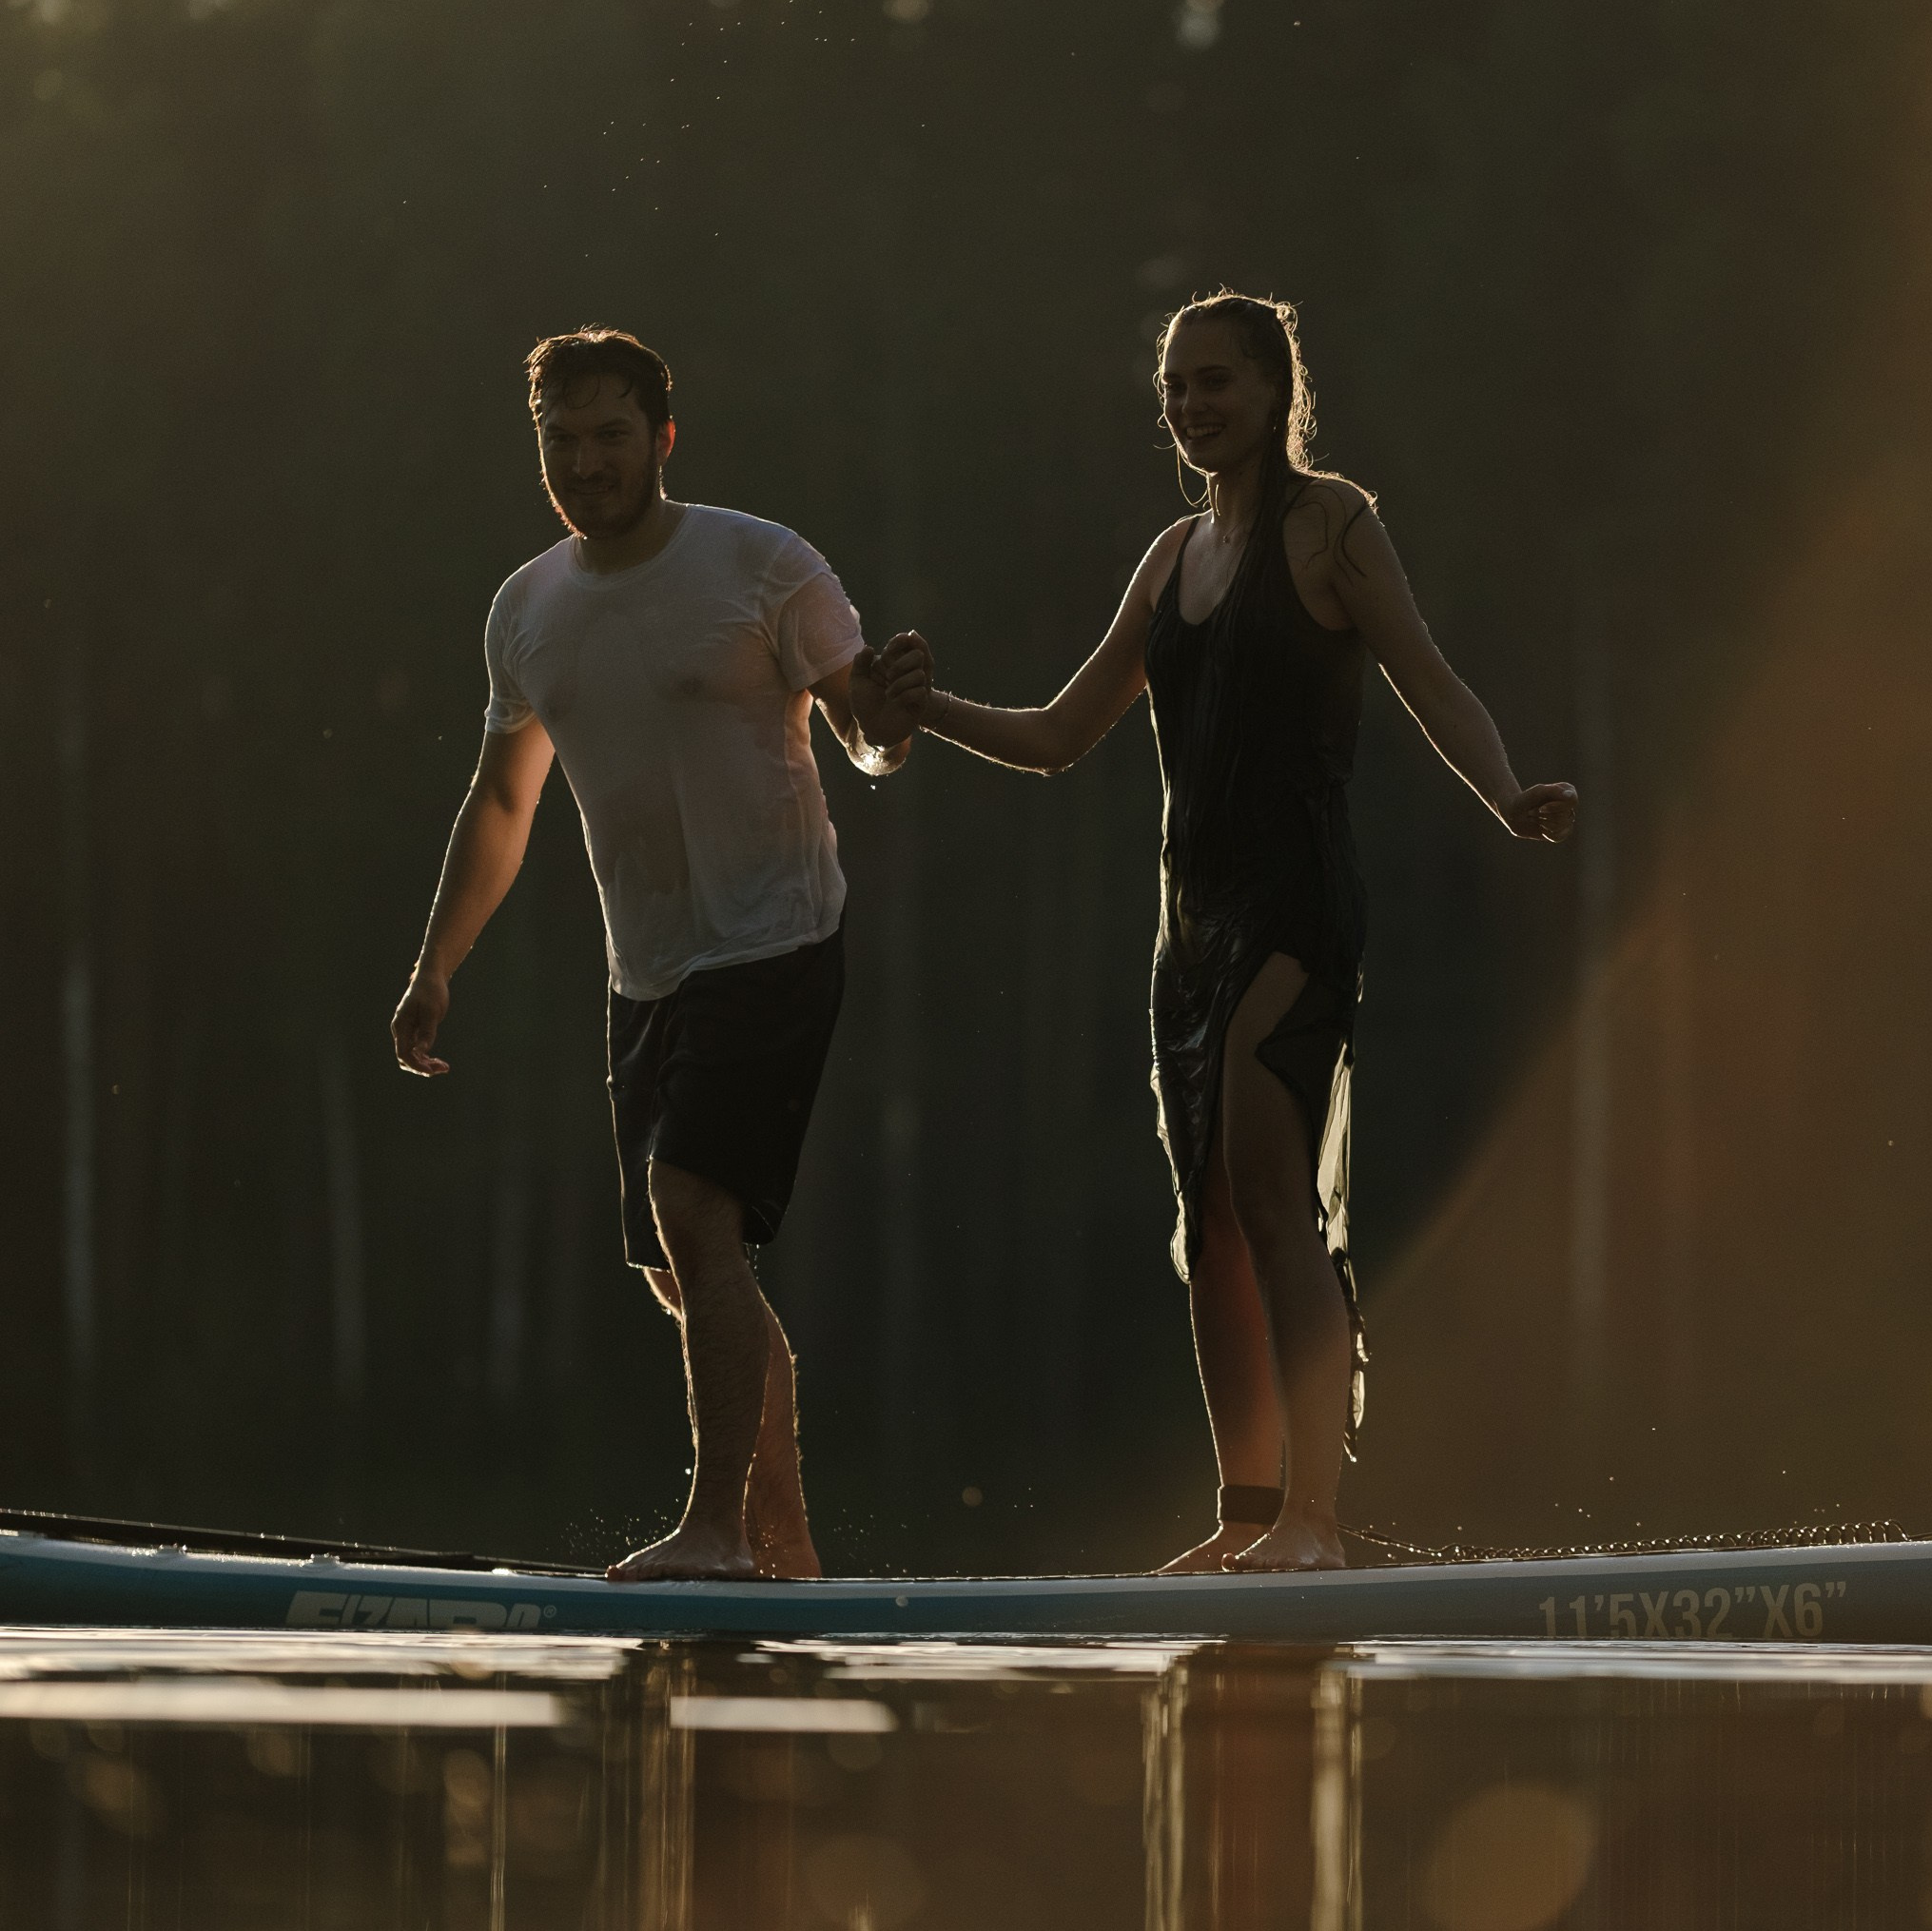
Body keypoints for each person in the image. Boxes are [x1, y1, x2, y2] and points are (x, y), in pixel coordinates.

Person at [872, 290, 1576, 1573]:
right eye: (1177, 389)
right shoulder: (1167, 558)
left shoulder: (1332, 525)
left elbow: (1429, 676)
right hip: (1186, 933)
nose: (1194, 406)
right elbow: (1059, 734)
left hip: (1296, 908)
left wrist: (1510, 792)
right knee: (1210, 1226)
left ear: (1274, 391)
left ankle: (1317, 1520)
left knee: (1271, 1193)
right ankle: (1247, 1519)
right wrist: (930, 714)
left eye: (1218, 383)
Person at [390, 326, 911, 1582]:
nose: (587, 461)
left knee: (693, 1212)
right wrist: (434, 965)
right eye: (561, 441)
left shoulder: (763, 563)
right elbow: (502, 802)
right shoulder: (528, 610)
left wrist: (890, 720)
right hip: (649, 970)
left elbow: (866, 733)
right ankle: (782, 1545)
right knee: (691, 1271)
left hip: (779, 934)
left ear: (662, 438)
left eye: (611, 435)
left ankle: (717, 1530)